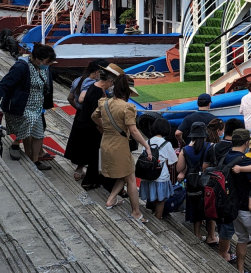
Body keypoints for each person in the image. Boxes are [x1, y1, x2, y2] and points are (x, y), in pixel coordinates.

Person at [91, 66, 152, 223]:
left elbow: (93, 116)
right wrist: (146, 145)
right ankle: (136, 212)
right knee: (130, 178)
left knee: (126, 174)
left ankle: (111, 199)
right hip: (120, 146)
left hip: (106, 142)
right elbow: (134, 130)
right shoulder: (127, 107)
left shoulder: (104, 102)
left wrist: (106, 129)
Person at [0, 44, 57, 170]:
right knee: (29, 119)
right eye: (47, 62)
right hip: (21, 105)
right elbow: (3, 85)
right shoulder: (21, 67)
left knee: (39, 133)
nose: (48, 64)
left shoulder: (45, 68)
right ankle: (16, 143)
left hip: (37, 105)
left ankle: (35, 160)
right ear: (38, 59)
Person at [222, 129, 251, 270]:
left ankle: (241, 270)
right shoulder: (244, 161)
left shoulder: (226, 156)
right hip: (248, 208)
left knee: (242, 239)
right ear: (246, 142)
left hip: (234, 207)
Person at [64, 62, 117, 187]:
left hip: (85, 122)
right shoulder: (97, 91)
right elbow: (95, 114)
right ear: (109, 81)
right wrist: (104, 128)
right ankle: (90, 181)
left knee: (91, 153)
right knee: (94, 154)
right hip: (91, 126)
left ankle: (89, 178)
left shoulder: (93, 86)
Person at [177, 121, 217, 245]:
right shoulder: (211, 147)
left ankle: (197, 235)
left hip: (192, 183)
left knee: (195, 209)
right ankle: (211, 236)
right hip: (209, 183)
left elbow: (179, 168)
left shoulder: (186, 150)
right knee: (210, 208)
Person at [138, 117, 178, 220]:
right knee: (161, 199)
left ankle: (154, 214)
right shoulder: (166, 143)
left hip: (147, 174)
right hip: (161, 175)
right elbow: (173, 161)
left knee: (152, 197)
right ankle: (158, 217)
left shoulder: (147, 142)